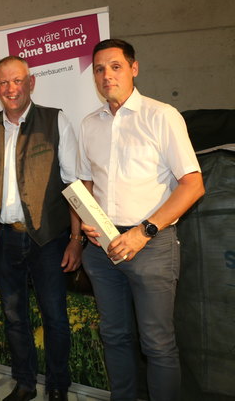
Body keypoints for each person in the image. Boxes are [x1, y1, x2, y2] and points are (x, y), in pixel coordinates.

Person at [78, 39, 205, 401]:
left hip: (151, 244)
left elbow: (193, 185)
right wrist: (87, 220)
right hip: (102, 248)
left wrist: (143, 231)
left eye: (115, 66)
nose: (106, 75)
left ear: (134, 68)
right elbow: (89, 181)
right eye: (99, 69)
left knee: (157, 344)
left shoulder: (161, 116)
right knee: (114, 336)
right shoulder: (90, 124)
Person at [0, 56, 82, 401]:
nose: (11, 89)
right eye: (3, 83)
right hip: (5, 238)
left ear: (31, 83)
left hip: (48, 239)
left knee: (55, 317)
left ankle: (57, 386)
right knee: (14, 317)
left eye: (17, 81)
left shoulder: (55, 120)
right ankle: (24, 384)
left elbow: (74, 185)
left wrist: (76, 239)